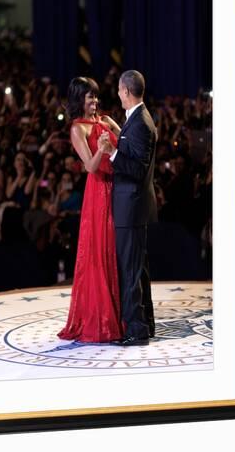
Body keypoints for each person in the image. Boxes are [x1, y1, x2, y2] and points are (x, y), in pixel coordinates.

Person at [57, 76, 123, 342]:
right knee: (98, 250)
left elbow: (127, 139)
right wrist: (103, 150)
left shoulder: (105, 121)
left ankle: (119, 314)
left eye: (95, 96)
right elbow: (90, 166)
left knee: (114, 250)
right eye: (89, 97)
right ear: (79, 100)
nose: (94, 101)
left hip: (117, 189)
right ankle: (101, 319)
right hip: (97, 193)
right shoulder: (77, 129)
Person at [98, 70, 158, 346]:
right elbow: (133, 152)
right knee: (139, 269)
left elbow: (135, 168)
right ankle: (145, 324)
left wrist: (111, 152)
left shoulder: (141, 123)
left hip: (131, 207)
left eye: (120, 90)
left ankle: (136, 330)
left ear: (126, 91)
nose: (118, 94)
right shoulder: (137, 120)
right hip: (134, 207)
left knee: (130, 270)